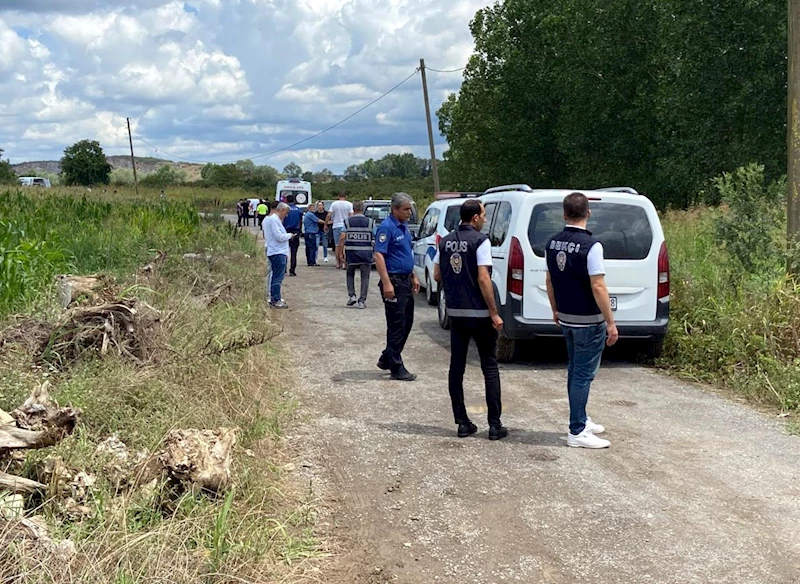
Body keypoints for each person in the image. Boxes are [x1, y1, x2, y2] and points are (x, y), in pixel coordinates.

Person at [545, 192, 619, 449]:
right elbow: (598, 286)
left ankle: (581, 418)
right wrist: (610, 321)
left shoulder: (552, 243)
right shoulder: (592, 246)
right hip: (588, 320)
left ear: (564, 214)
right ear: (588, 213)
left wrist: (554, 309)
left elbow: (549, 280)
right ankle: (577, 430)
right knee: (583, 374)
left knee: (575, 370)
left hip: (566, 317)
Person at [434, 199, 507, 440]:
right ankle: (495, 425)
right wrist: (494, 313)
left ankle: (462, 422)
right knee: (489, 367)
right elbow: (484, 278)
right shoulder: (480, 240)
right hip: (480, 313)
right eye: (483, 215)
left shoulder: (445, 241)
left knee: (457, 367)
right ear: (475, 217)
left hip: (456, 313)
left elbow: (436, 274)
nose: (485, 219)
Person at [374, 192, 419, 381]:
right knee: (397, 324)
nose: (410, 212)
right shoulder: (387, 227)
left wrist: (414, 275)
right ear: (394, 209)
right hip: (394, 281)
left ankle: (387, 357)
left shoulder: (404, 227)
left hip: (405, 280)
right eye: (406, 209)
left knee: (407, 322)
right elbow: (378, 255)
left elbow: (406, 252)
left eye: (410, 208)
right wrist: (386, 283)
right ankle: (396, 366)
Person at [342, 200, 374, 308]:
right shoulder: (370, 222)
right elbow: (376, 236)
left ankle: (352, 296)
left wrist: (341, 252)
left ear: (353, 209)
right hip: (366, 254)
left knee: (350, 274)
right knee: (365, 277)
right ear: (363, 208)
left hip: (351, 253)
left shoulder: (347, 222)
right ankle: (362, 301)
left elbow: (342, 237)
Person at [264, 202, 293, 308]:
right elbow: (279, 236)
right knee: (277, 277)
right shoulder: (274, 220)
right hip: (277, 251)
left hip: (276, 250)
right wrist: (290, 235)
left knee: (275, 276)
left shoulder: (271, 219)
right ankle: (275, 299)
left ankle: (274, 297)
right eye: (286, 212)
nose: (286, 215)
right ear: (281, 210)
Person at [326, 191, 354, 269]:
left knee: (337, 245)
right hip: (346, 226)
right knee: (344, 245)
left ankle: (338, 263)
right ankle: (344, 263)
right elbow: (351, 215)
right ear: (346, 196)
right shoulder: (349, 204)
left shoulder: (334, 204)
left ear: (338, 196)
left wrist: (326, 224)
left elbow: (329, 215)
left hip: (336, 225)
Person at [282, 194, 303, 276]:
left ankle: (284, 269)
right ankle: (292, 270)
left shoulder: (284, 209)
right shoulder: (299, 210)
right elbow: (300, 221)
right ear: (294, 200)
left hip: (286, 231)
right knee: (294, 252)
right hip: (295, 231)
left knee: (284, 251)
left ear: (286, 200)